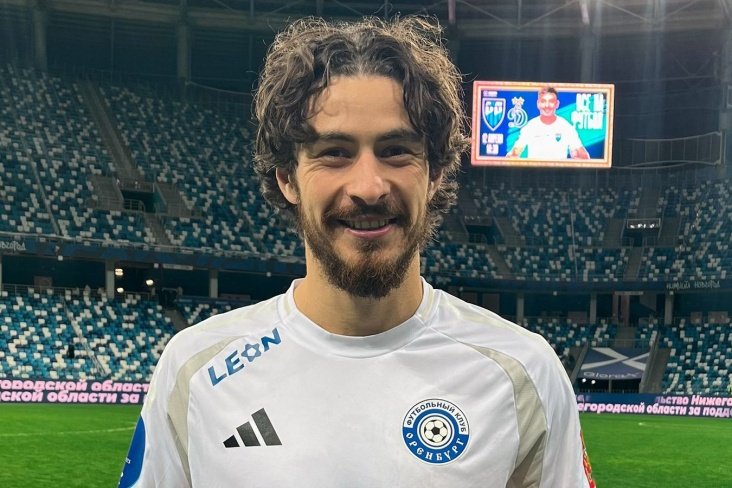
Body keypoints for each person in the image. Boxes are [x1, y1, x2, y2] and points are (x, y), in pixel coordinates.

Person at [120, 16, 594, 488]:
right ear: (287, 178)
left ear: (434, 175)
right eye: (335, 153)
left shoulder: (523, 373)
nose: (368, 187)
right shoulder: (194, 370)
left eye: (396, 150)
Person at [507, 86, 590, 160]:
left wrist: (577, 155)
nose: (547, 105)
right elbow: (514, 153)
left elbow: (584, 157)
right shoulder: (530, 127)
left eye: (551, 101)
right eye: (543, 101)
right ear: (538, 104)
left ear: (557, 104)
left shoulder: (566, 127)